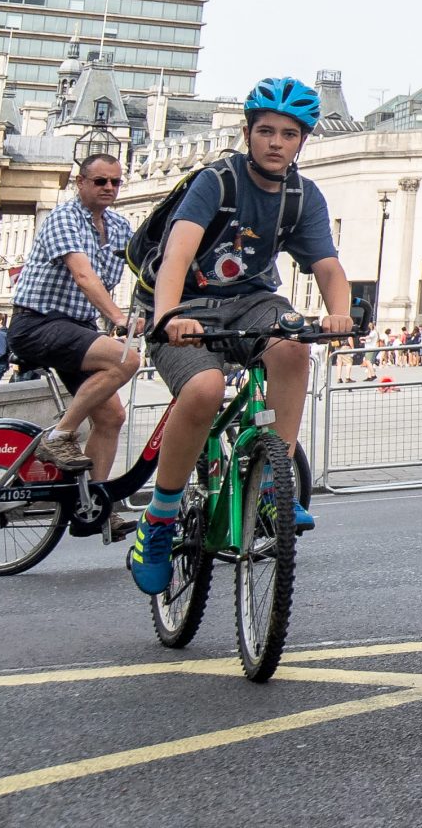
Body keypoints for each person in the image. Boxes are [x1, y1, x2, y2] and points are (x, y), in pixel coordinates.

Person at [129, 77, 353, 596]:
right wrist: (167, 317)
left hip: (252, 301)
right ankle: (158, 521)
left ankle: (275, 481)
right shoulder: (218, 181)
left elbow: (328, 267)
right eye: (266, 131)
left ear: (303, 141)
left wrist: (339, 315)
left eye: (290, 134)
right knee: (204, 390)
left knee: (295, 341)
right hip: (186, 307)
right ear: (248, 133)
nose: (276, 142)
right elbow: (178, 254)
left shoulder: (302, 196)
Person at [12, 154, 147, 471]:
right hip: (38, 325)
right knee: (126, 358)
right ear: (81, 183)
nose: (109, 187)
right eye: (100, 181)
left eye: (115, 182)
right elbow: (83, 276)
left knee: (112, 417)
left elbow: (149, 267)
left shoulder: (117, 226)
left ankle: (96, 512)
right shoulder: (64, 218)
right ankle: (59, 435)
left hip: (77, 328)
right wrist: (117, 316)